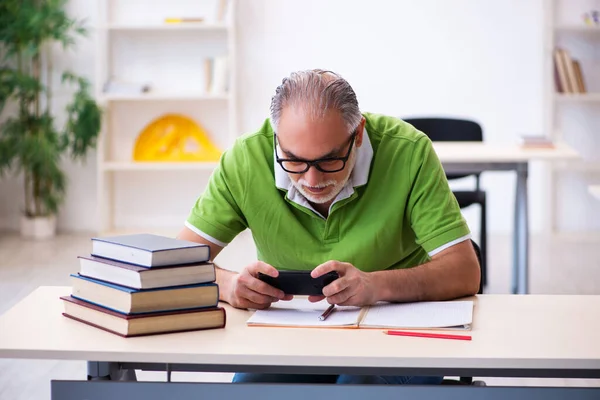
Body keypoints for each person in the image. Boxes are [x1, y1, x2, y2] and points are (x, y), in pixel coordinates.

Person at [177, 69, 480, 385]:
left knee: (354, 388)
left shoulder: (408, 152)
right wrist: (227, 285)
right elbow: (177, 263)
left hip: (395, 327)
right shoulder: (245, 159)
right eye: (293, 160)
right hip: (293, 332)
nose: (312, 180)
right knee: (250, 391)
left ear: (358, 134)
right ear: (276, 137)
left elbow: (464, 270)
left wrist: (375, 286)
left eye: (329, 161)